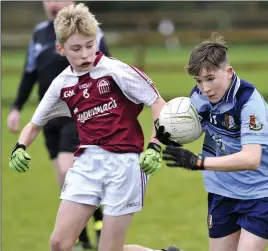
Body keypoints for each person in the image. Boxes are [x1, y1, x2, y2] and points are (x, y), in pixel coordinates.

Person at [8, 3, 180, 251]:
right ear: (61, 49)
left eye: (90, 45)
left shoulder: (116, 70)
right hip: (87, 164)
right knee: (59, 243)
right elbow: (35, 123)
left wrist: (154, 146)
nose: (86, 54)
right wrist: (20, 146)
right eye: (76, 49)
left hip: (125, 165)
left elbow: (158, 103)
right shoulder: (62, 84)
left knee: (109, 250)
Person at [157, 33, 268, 251]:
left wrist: (199, 163)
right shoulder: (198, 97)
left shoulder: (249, 103)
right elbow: (196, 128)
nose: (204, 88)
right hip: (222, 190)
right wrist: (174, 137)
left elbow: (251, 158)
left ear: (228, 72)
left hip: (260, 191)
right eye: (198, 81)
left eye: (210, 79)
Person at [6, 1, 109, 248]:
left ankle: (89, 224)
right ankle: (89, 227)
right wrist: (16, 107)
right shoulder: (39, 34)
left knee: (67, 170)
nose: (54, 4)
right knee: (63, 180)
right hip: (48, 118)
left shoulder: (90, 30)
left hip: (78, 114)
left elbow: (107, 69)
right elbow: (29, 72)